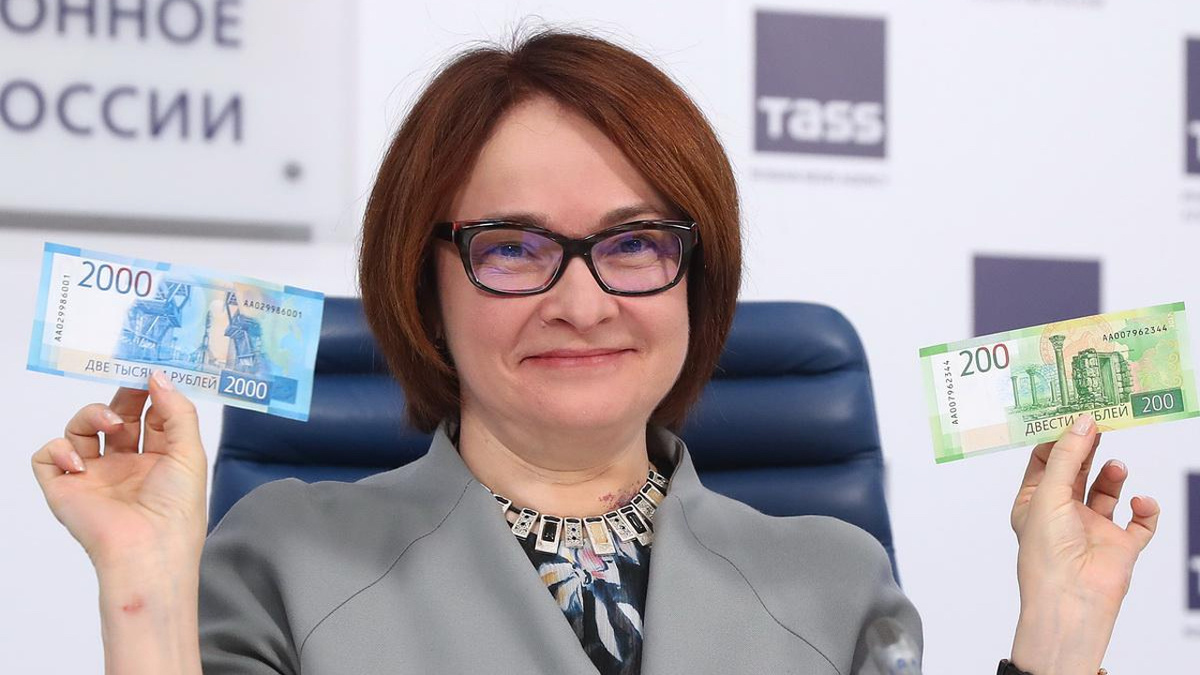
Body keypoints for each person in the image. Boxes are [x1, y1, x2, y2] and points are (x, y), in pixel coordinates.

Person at [31, 28, 1159, 675]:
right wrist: (143, 584)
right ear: (424, 286)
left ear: (695, 279)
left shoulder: (837, 580)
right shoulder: (276, 557)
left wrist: (1063, 624)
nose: (582, 301)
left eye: (634, 243)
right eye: (514, 247)